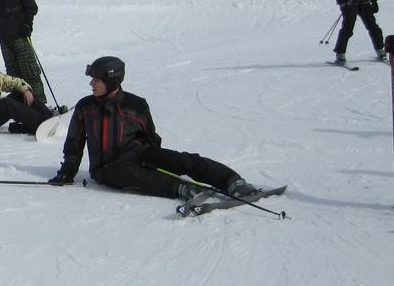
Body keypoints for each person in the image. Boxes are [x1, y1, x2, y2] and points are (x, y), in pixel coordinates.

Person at [47, 56, 261, 202]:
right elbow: (74, 143)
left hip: (137, 156)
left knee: (182, 159)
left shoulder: (136, 105)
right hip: (107, 169)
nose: (91, 83)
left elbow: (150, 137)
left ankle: (233, 181)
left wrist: (156, 158)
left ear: (111, 81)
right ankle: (183, 189)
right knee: (132, 174)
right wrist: (67, 172)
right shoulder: (86, 107)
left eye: (96, 79)